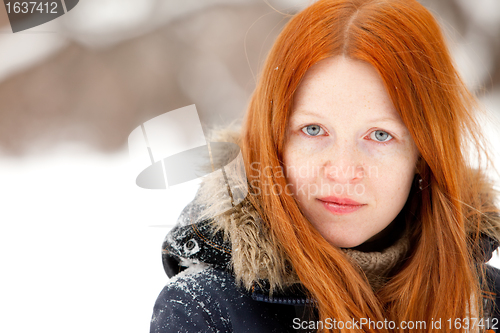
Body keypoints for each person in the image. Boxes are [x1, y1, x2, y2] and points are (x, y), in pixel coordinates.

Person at [150, 0, 500, 332]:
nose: (343, 171)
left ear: (424, 155)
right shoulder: (206, 310)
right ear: (273, 143)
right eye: (313, 130)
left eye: (380, 135)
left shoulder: (488, 306)